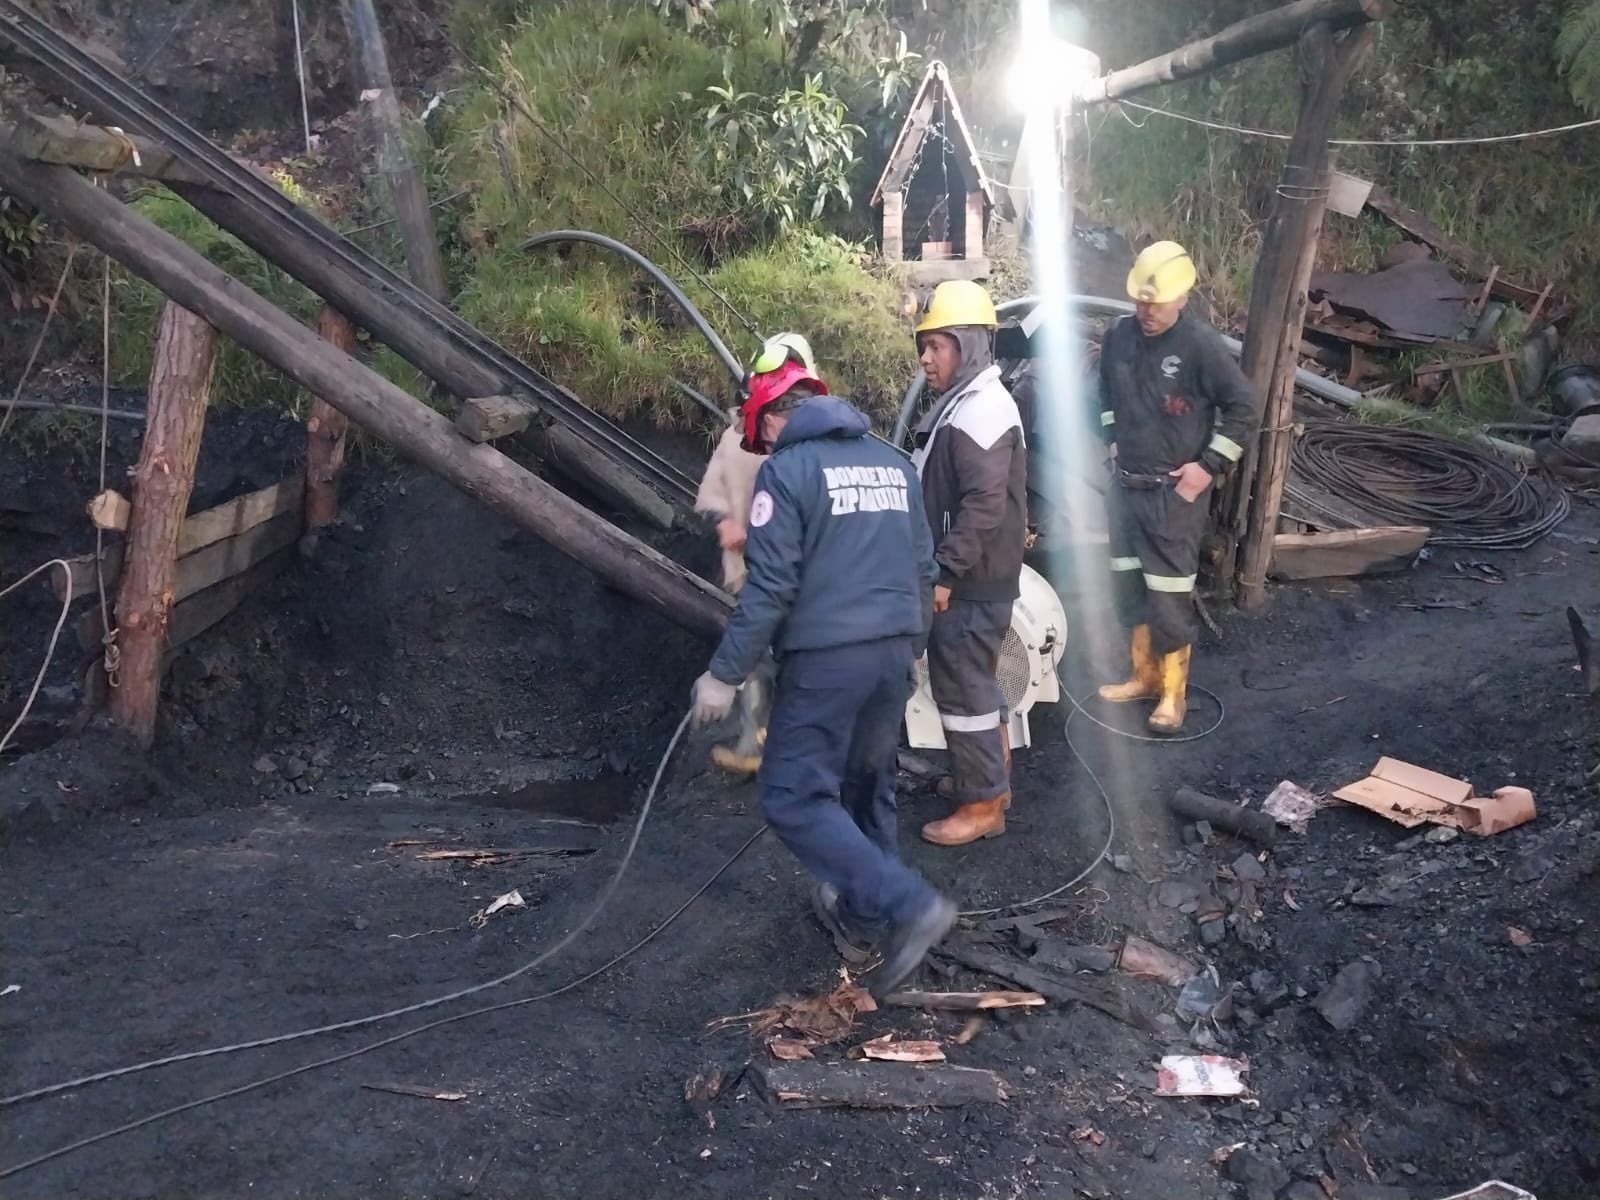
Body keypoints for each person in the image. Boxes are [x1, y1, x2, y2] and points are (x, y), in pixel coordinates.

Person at [690, 359, 955, 998]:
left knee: (792, 794)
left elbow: (771, 586)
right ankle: (864, 918)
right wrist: (910, 646)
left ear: (771, 421)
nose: (762, 449)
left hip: (828, 658)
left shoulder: (787, 471)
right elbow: (923, 567)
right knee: (868, 782)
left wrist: (724, 674)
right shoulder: (893, 463)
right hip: (892, 652)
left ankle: (910, 903)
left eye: (760, 436)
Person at [1097, 241, 1261, 732]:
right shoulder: (1118, 337)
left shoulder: (1199, 346)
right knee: (1129, 587)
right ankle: (1143, 676)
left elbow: (1244, 409)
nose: (1146, 311)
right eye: (1141, 301)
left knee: (1168, 596)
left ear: (1183, 297)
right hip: (1126, 488)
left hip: (1173, 496)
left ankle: (1173, 695)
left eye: (1158, 303)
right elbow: (1103, 396)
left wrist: (1207, 468)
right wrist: (1111, 440)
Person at [908, 280, 1028, 847]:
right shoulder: (971, 401)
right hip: (976, 579)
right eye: (924, 347)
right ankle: (991, 784)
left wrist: (945, 572)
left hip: (970, 583)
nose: (926, 359)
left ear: (969, 344)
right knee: (976, 684)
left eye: (937, 345)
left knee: (963, 693)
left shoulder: (981, 410)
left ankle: (981, 806)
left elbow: (983, 506)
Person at [693, 333, 819, 775]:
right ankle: (755, 742)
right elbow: (711, 491)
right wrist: (724, 521)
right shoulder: (736, 435)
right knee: (756, 658)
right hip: (752, 569)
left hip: (804, 575)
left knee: (797, 656)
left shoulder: (815, 442)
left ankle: (789, 747)